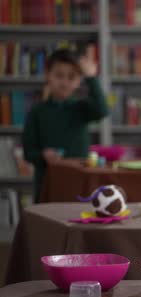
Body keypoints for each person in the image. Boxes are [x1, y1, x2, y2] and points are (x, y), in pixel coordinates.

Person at [23, 47, 109, 203]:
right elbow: (28, 152)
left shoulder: (81, 108)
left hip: (80, 181)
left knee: (79, 219)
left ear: (79, 81)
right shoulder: (37, 111)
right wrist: (43, 155)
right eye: (59, 75)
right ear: (47, 75)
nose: (64, 82)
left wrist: (91, 77)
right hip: (48, 183)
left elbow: (102, 110)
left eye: (71, 77)